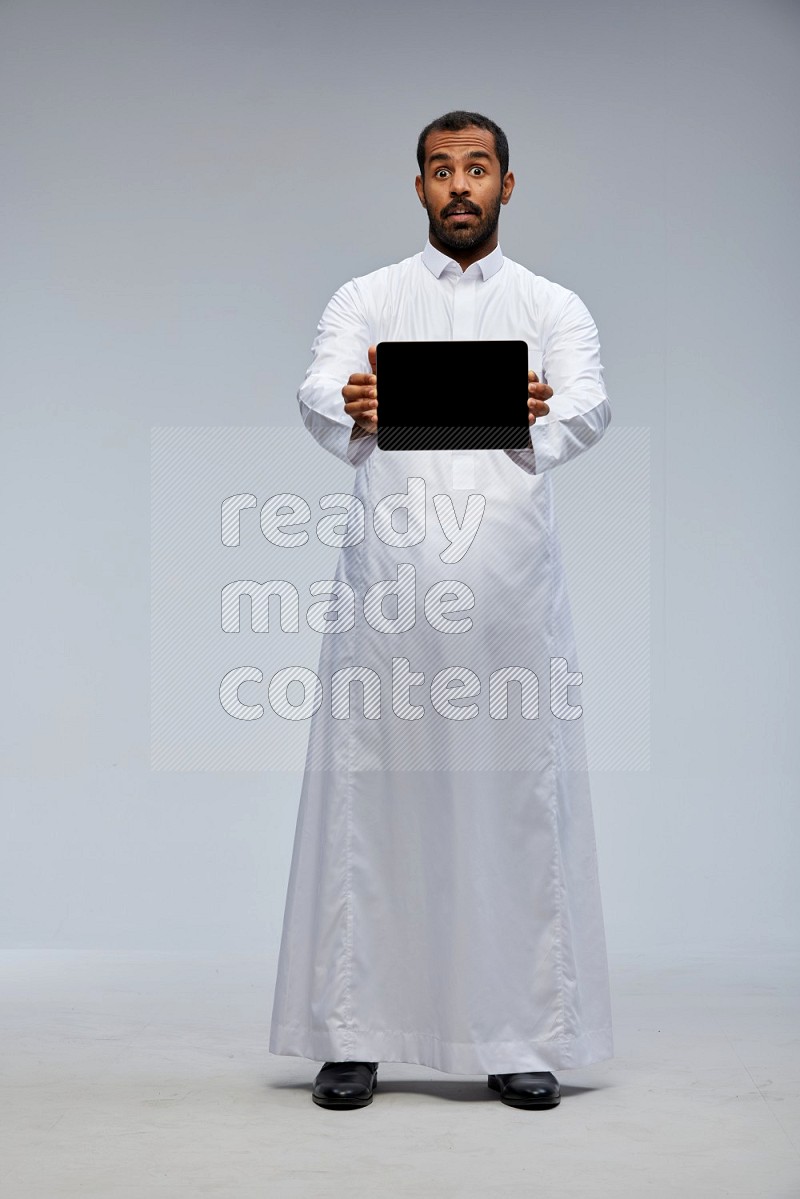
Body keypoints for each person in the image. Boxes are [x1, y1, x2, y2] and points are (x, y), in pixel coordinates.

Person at [269, 110, 614, 1110]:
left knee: (511, 803)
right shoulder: (366, 296)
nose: (457, 185)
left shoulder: (551, 303)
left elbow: (583, 403)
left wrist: (426, 402)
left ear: (507, 185)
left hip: (508, 595)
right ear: (415, 187)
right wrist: (373, 401)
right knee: (372, 804)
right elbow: (324, 390)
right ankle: (354, 1030)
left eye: (476, 169)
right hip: (388, 588)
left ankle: (518, 1031)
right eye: (438, 170)